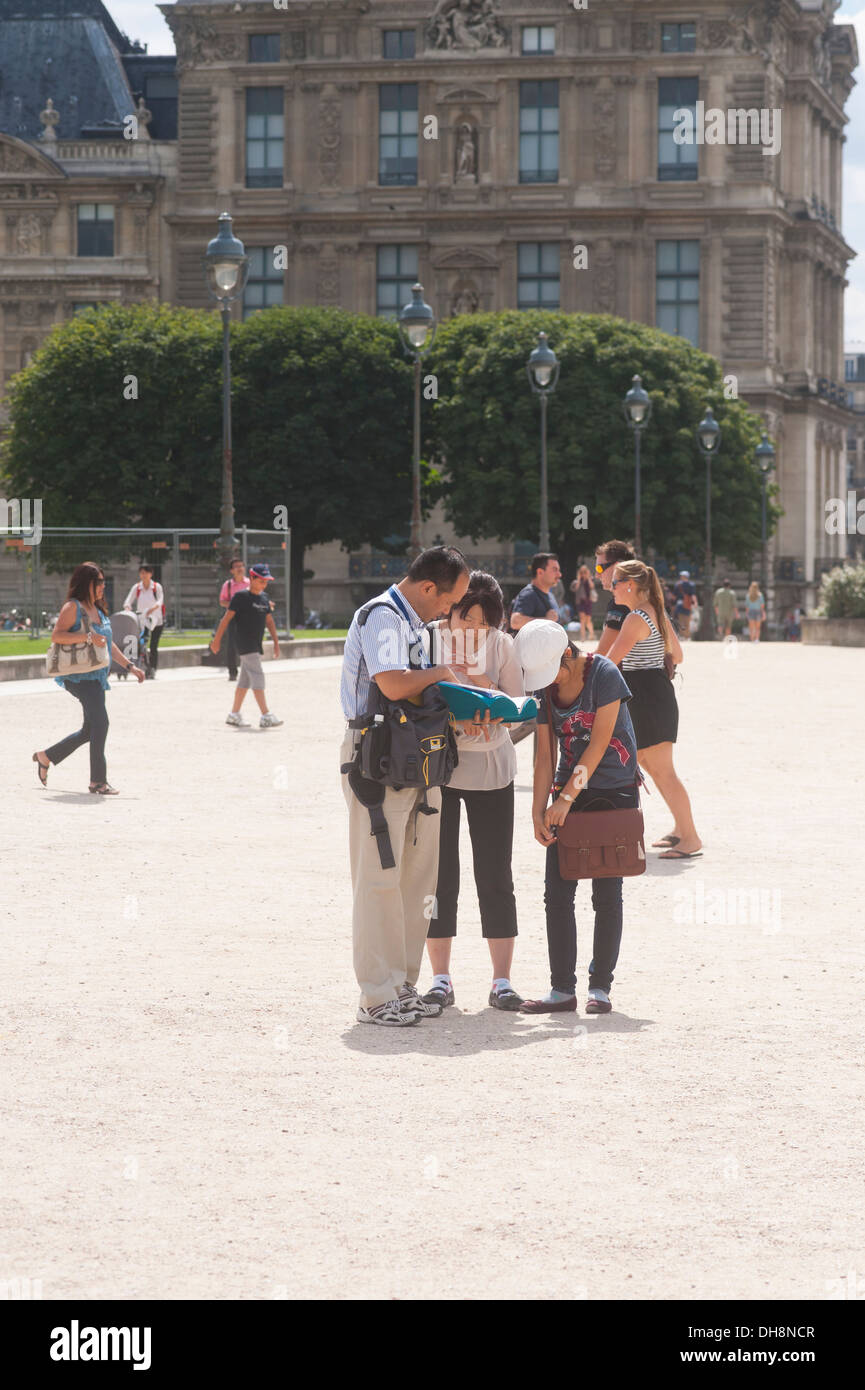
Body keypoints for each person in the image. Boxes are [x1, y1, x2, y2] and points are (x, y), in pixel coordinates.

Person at [340, 546, 470, 1026]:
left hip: (419, 756)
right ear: (429, 587)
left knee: (417, 879)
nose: (449, 610)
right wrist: (442, 674)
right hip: (377, 756)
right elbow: (394, 684)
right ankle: (375, 996)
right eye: (450, 599)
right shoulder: (383, 617)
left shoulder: (417, 625)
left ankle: (400, 983)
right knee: (379, 877)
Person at [514, 620, 640, 1016]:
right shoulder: (545, 688)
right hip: (566, 793)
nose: (548, 683)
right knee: (558, 892)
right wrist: (538, 810)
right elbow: (545, 755)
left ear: (568, 654)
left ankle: (600, 987)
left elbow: (599, 743)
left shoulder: (605, 674)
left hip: (612, 790)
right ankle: (561, 989)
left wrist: (565, 798)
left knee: (606, 893)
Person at [422, 572, 525, 1013]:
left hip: (491, 767)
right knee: (438, 875)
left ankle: (501, 981)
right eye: (466, 619)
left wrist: (487, 694)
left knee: (495, 873)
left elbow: (520, 709)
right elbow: (412, 699)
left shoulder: (502, 645)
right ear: (451, 609)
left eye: (483, 623)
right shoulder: (428, 638)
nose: (473, 630)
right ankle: (440, 979)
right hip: (440, 769)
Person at [605, 560, 702, 859]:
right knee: (651, 765)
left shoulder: (635, 618)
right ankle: (680, 829)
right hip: (654, 696)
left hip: (648, 700)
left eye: (616, 582)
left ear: (630, 585)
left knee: (663, 771)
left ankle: (691, 838)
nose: (611, 587)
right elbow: (679, 655)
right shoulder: (655, 612)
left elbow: (608, 663)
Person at [33, 562, 145, 794]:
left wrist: (130, 666)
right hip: (78, 677)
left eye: (104, 582)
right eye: (99, 583)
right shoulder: (72, 607)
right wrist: (86, 636)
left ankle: (46, 756)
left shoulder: (99, 609)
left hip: (96, 676)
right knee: (101, 724)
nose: (103, 586)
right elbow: (57, 636)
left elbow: (108, 643)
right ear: (87, 584)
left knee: (90, 729)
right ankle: (98, 781)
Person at [210, 563, 283, 727]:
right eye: (261, 581)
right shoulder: (240, 597)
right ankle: (266, 715)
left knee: (245, 681)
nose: (264, 584)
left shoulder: (264, 598)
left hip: (256, 644)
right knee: (258, 676)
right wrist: (216, 641)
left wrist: (276, 643)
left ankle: (234, 714)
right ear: (252, 578)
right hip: (244, 643)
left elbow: (269, 622)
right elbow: (226, 619)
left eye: (266, 581)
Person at [593, 538, 636, 658]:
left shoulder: (621, 602)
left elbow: (602, 654)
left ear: (617, 566)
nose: (596, 575)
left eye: (600, 568)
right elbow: (677, 655)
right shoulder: (644, 596)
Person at [123, 563, 165, 679]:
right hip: (142, 620)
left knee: (153, 645)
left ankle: (153, 668)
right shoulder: (137, 588)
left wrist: (152, 609)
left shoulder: (157, 587)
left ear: (150, 574)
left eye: (146, 573)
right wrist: (127, 607)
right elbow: (128, 601)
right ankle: (144, 665)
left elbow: (160, 601)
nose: (143, 575)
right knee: (141, 643)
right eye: (141, 573)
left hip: (157, 620)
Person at [509, 553, 561, 631]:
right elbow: (515, 622)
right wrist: (546, 620)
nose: (559, 574)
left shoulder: (551, 596)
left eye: (559, 570)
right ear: (540, 572)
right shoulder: (529, 594)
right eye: (554, 570)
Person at [219, 558, 249, 681]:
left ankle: (247, 670)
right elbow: (222, 601)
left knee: (248, 644)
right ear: (232, 570)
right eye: (237, 566)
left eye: (241, 566)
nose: (240, 568)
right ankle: (232, 671)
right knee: (232, 644)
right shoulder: (228, 585)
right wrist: (234, 605)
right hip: (233, 617)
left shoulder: (250, 583)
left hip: (248, 617)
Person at [570, 564, 597, 640]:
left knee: (588, 620)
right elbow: (575, 589)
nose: (583, 574)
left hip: (588, 602)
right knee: (582, 619)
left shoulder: (590, 579)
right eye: (582, 572)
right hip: (580, 602)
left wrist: (588, 578)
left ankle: (591, 634)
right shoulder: (577, 581)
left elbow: (592, 586)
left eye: (585, 572)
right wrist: (578, 579)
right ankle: (583, 637)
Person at [672, 570, 698, 640]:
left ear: (683, 577)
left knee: (681, 621)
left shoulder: (677, 584)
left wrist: (672, 604)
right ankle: (687, 636)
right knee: (687, 621)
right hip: (687, 604)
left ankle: (682, 636)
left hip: (679, 604)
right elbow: (693, 595)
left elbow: (674, 597)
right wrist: (695, 603)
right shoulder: (691, 585)